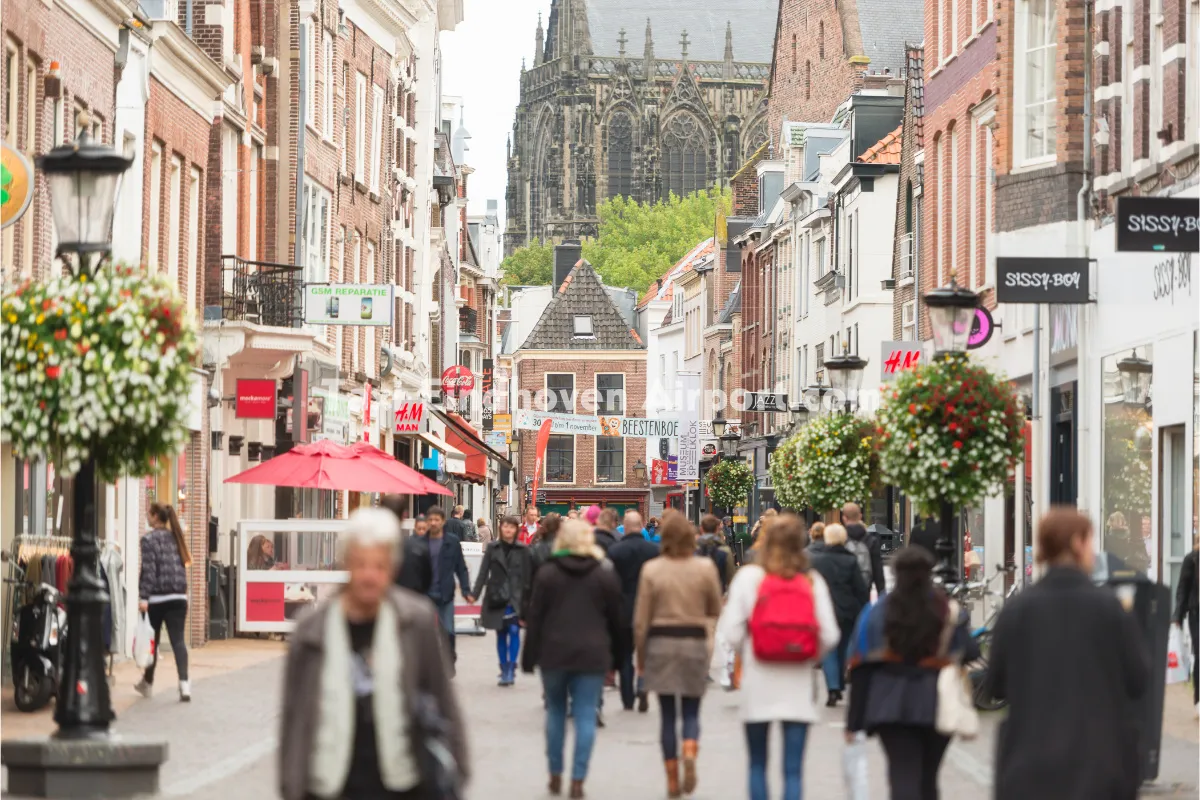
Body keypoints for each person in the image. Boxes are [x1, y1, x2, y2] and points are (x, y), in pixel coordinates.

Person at [279, 508, 468, 800]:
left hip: (401, 784)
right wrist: (290, 784)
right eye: (361, 564)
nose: (370, 575)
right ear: (347, 563)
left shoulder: (415, 621)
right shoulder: (311, 630)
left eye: (379, 565)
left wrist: (459, 769)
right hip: (329, 784)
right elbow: (294, 713)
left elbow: (443, 698)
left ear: (392, 568)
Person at [986, 508, 1150, 800]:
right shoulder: (1109, 609)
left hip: (1029, 767)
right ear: (1077, 543)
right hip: (1099, 765)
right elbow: (1138, 679)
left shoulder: (1017, 611)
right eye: (1090, 542)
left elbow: (995, 684)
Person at [717, 513, 839, 800]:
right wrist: (806, 653)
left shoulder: (749, 578)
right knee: (792, 769)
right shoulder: (810, 581)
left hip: (758, 682)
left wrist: (751, 646)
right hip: (797, 686)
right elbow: (830, 634)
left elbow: (730, 633)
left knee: (758, 764)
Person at [846, 546, 980, 800]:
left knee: (902, 773)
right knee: (929, 778)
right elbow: (971, 651)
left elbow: (861, 666)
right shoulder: (946, 609)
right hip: (936, 700)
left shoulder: (877, 611)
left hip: (889, 701)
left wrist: (855, 721)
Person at [522, 520, 622, 799]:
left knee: (555, 711)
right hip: (592, 653)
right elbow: (616, 619)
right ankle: (578, 779)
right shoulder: (603, 573)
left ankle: (555, 773)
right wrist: (619, 657)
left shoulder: (548, 573)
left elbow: (536, 616)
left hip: (553, 652)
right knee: (585, 713)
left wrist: (529, 657)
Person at [634, 512, 723, 798]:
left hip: (661, 643)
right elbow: (715, 608)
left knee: (668, 716)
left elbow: (640, 621)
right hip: (694, 642)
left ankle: (672, 778)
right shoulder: (705, 568)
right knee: (691, 710)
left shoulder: (652, 569)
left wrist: (640, 656)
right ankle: (690, 751)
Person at [135, 504, 194, 701]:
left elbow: (149, 571)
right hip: (179, 596)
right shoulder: (176, 536)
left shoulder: (149, 539)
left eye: (148, 514)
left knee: (153, 642)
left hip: (158, 598)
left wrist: (144, 597)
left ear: (154, 517)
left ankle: (148, 683)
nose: (147, 517)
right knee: (178, 641)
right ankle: (184, 685)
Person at [807, 523, 869, 706]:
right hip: (847, 609)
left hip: (825, 609)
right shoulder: (850, 560)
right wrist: (864, 606)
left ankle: (833, 687)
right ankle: (839, 682)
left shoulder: (818, 561)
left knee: (829, 649)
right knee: (843, 646)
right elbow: (860, 588)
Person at [608, 510, 661, 712]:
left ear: (625, 526)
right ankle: (643, 682)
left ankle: (628, 698)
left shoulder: (615, 551)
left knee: (624, 655)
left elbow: (610, 583)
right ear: (641, 526)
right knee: (645, 652)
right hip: (648, 610)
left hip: (623, 609)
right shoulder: (653, 551)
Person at [472, 516, 532, 687]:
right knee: (501, 633)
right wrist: (474, 594)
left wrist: (529, 600)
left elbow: (528, 578)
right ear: (501, 528)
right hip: (497, 595)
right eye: (505, 526)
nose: (508, 530)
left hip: (515, 596)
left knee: (514, 630)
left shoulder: (524, 550)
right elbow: (483, 572)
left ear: (516, 530)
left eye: (511, 527)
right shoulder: (492, 548)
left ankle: (511, 668)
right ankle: (503, 666)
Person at [422, 507, 474, 670]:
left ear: (443, 521)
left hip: (445, 593)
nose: (433, 523)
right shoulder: (420, 542)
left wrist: (466, 590)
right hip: (425, 594)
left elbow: (461, 568)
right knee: (426, 633)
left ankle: (449, 657)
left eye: (437, 519)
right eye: (430, 520)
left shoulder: (452, 541)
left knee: (449, 630)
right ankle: (430, 665)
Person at [382, 500, 434, 596]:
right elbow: (427, 579)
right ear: (404, 516)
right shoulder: (416, 548)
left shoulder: (369, 547)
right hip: (411, 598)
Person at [1175, 535, 1199, 714]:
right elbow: (1183, 587)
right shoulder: (1192, 559)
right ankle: (1199, 700)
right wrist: (1178, 615)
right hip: (1197, 613)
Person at [842, 502, 886, 596]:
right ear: (860, 516)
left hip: (843, 593)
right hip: (864, 591)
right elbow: (878, 573)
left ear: (844, 518)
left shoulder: (841, 539)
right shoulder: (871, 540)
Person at [697, 514, 734, 593]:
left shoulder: (693, 548)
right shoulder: (725, 550)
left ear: (701, 529)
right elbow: (730, 576)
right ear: (717, 529)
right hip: (718, 592)